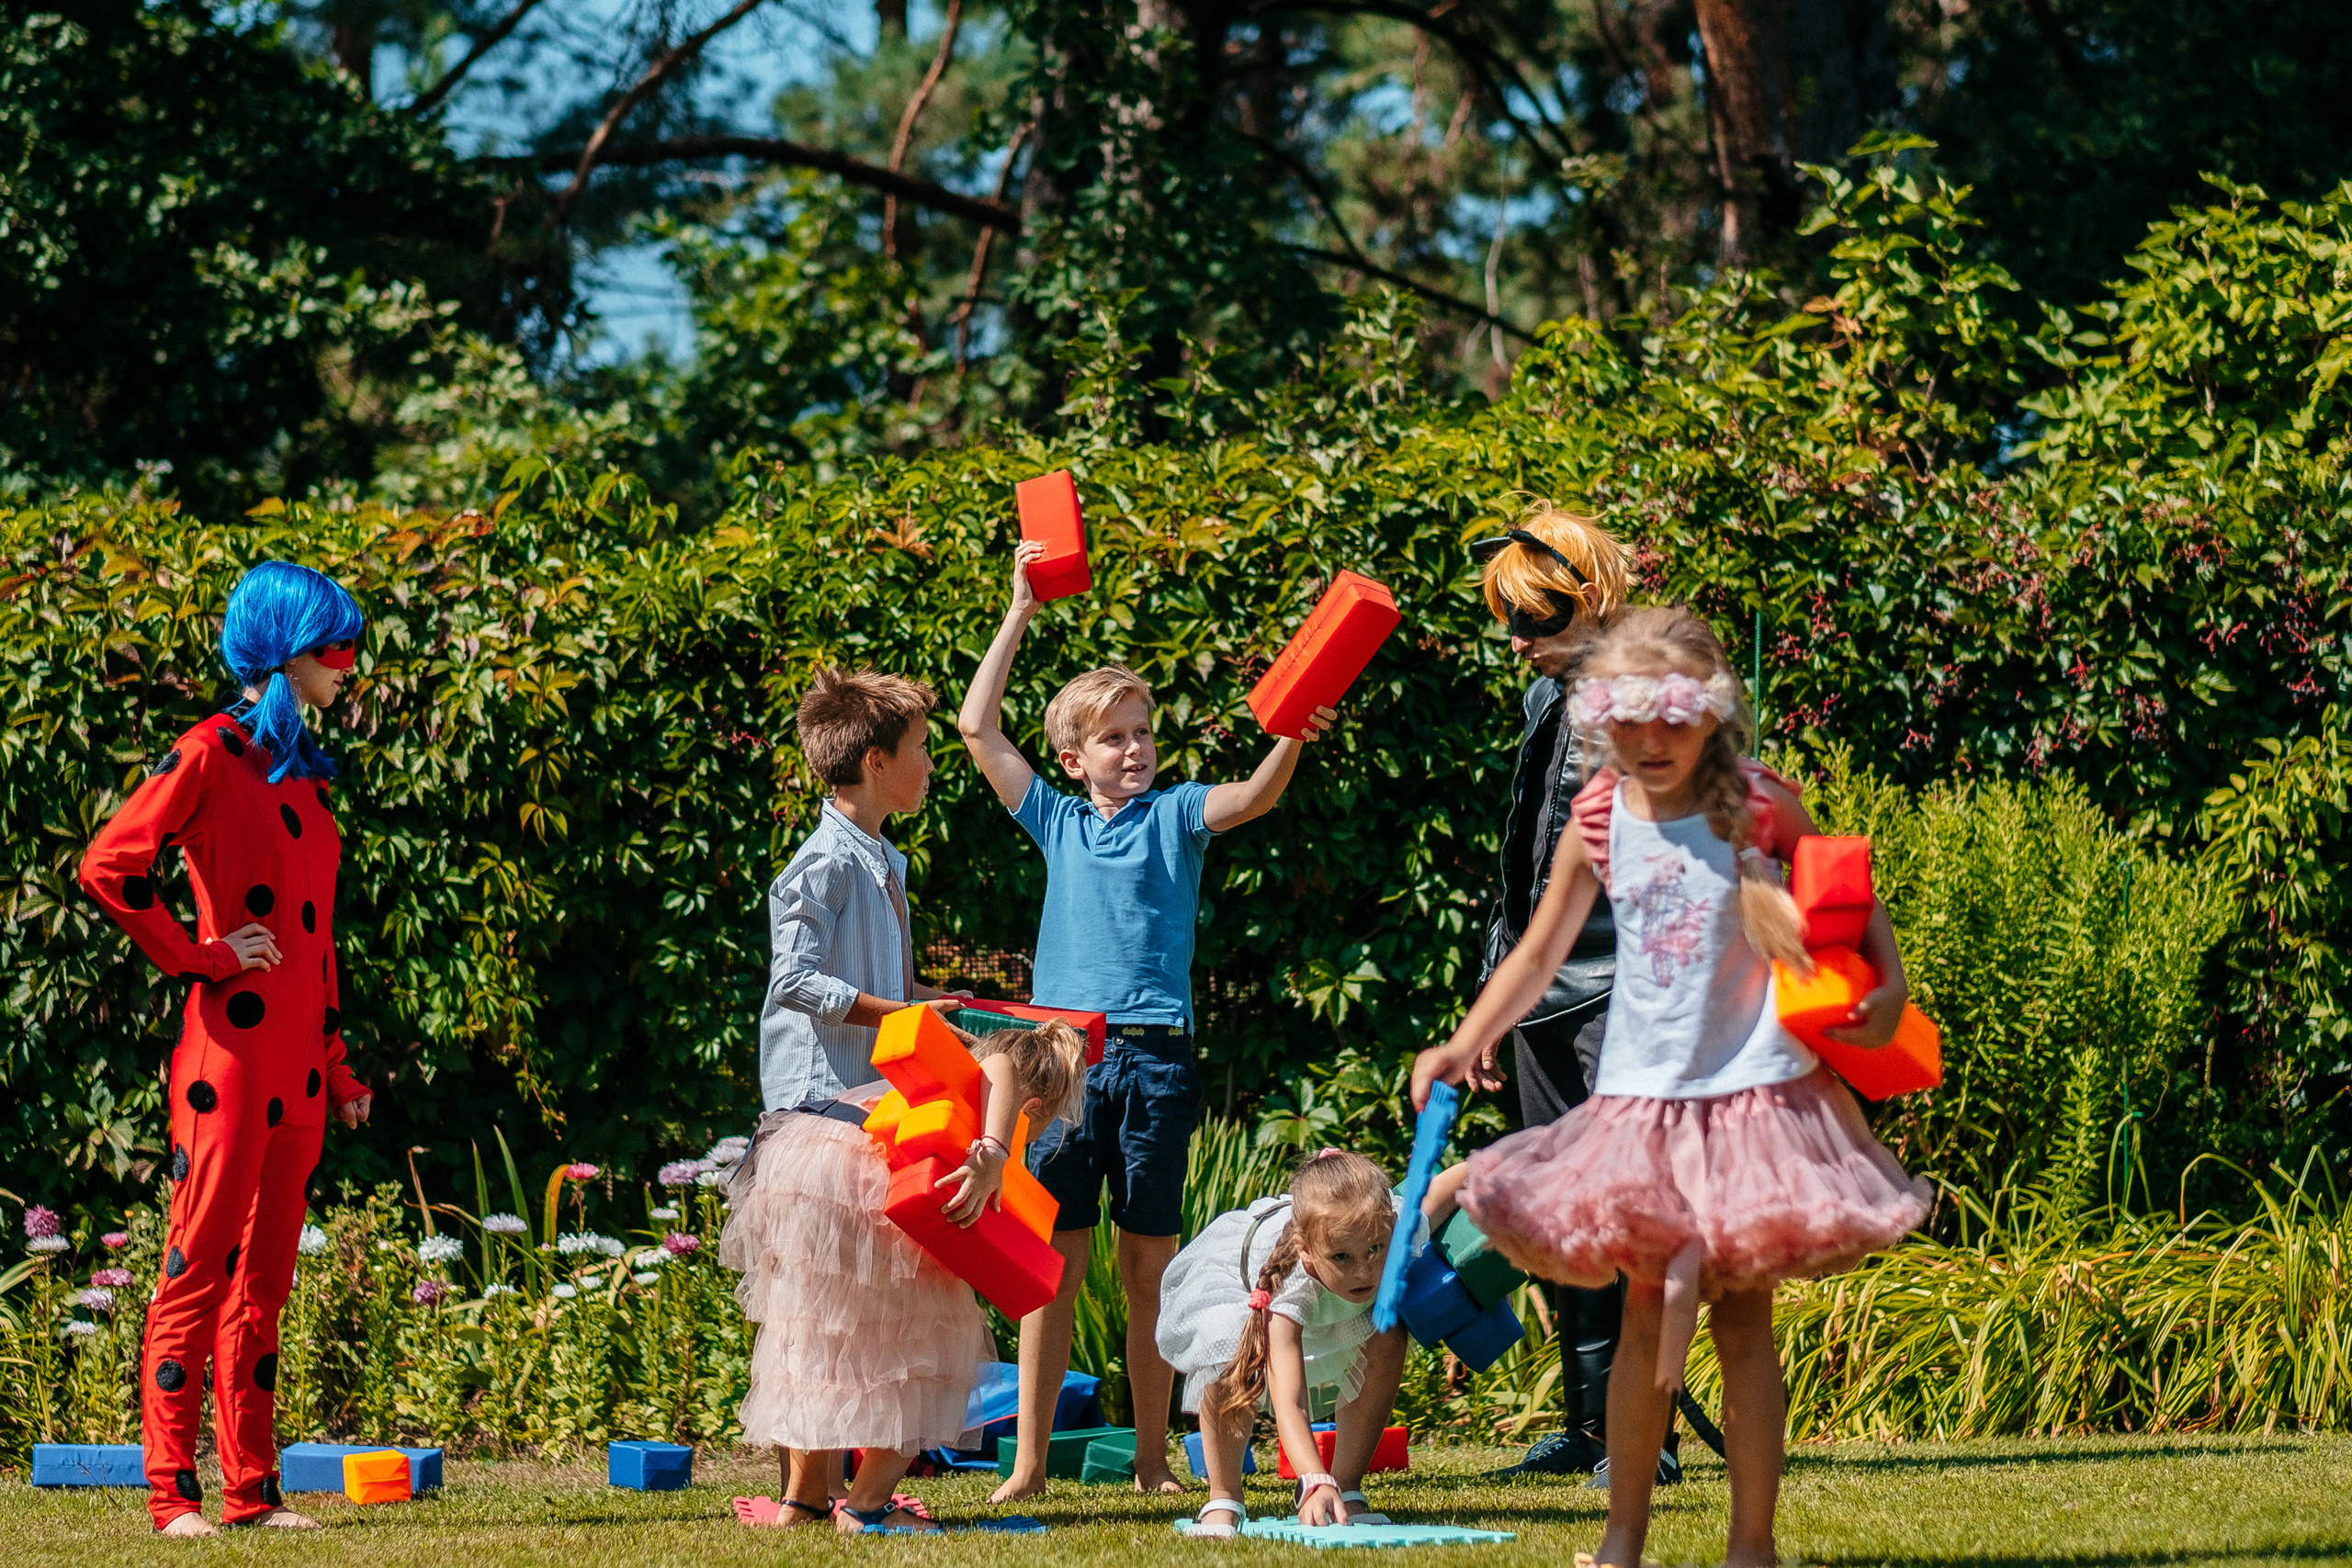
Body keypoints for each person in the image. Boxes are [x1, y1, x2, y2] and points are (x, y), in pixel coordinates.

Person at [1410, 606, 1931, 1568]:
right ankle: (1621, 1541)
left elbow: (1852, 903)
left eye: (1674, 719)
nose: (1652, 743)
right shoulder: (1601, 819)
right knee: (1647, 1314)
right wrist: (1462, 1041)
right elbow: (1536, 956)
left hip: (1756, 1101)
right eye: (1629, 722)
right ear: (1601, 720)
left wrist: (1889, 986)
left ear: (1712, 716)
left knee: (1741, 1324)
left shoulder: (1763, 806)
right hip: (1643, 1105)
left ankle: (1751, 1546)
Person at [958, 540, 1337, 1500]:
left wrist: (1293, 732)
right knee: (1050, 1268)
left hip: (1156, 1063)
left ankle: (1152, 1462)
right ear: (1073, 757)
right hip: (1062, 1066)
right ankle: (1032, 1466)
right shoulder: (1057, 819)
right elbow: (973, 727)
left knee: (1146, 1272)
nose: (1135, 750)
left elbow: (1252, 796)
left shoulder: (1173, 815)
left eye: (1143, 733)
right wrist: (1019, 607)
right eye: (1114, 738)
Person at [77, 560, 375, 1536]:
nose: (348, 665)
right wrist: (199, 955)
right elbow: (109, 866)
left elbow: (317, 943)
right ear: (285, 648)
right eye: (332, 645)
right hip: (228, 1062)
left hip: (293, 1069)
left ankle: (252, 1493)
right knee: (197, 1267)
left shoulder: (302, 779)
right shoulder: (206, 752)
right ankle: (172, 1497)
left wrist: (336, 1070)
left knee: (266, 1288)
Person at [725, 665, 990, 1530]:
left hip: (871, 1102)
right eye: (921, 751)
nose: (930, 766)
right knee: (860, 1307)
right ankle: (851, 1499)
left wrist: (926, 1019)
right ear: (875, 761)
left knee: (845, 1312)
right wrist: (905, 1010)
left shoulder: (881, 861)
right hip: (825, 1113)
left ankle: (820, 1497)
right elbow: (795, 979)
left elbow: (887, 988)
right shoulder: (820, 866)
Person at [725, 1015, 1090, 1532]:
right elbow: (1004, 1067)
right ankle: (866, 1506)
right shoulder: (994, 1077)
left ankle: (802, 1503)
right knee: (931, 1346)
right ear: (1034, 1108)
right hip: (853, 1174)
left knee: (819, 1340)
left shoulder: (943, 1082)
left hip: (803, 1162)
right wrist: (993, 1156)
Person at [1465, 505, 1646, 1480]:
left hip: (1620, 987)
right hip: (1544, 994)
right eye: (1509, 620)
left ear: (1591, 600)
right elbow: (1525, 859)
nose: (1515, 641)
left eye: (1533, 619)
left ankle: (1632, 1437)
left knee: (1623, 1210)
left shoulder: (1639, 695)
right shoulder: (1551, 700)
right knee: (1573, 1217)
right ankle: (1587, 1430)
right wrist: (1500, 993)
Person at [1159, 1149, 1422, 1539]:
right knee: (1228, 1349)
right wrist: (1312, 1479)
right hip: (1241, 1287)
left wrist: (1499, 1165)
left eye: (1375, 1250)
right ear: (1307, 1251)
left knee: (1388, 1331)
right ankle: (1224, 1496)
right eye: (1344, 1256)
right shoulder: (1290, 1287)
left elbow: (1444, 1188)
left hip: (1331, 1301)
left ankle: (1347, 1486)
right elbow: (1290, 1399)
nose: (1364, 1269)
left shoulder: (1400, 1224)